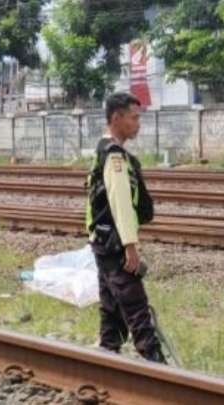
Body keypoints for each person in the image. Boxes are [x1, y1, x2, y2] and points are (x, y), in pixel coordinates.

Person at [85, 92, 164, 363]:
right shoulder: (114, 157)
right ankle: (156, 365)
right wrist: (131, 246)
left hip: (103, 241)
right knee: (135, 306)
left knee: (111, 307)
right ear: (116, 118)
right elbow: (120, 203)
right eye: (133, 117)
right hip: (115, 243)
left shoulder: (103, 150)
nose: (138, 123)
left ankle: (108, 355)